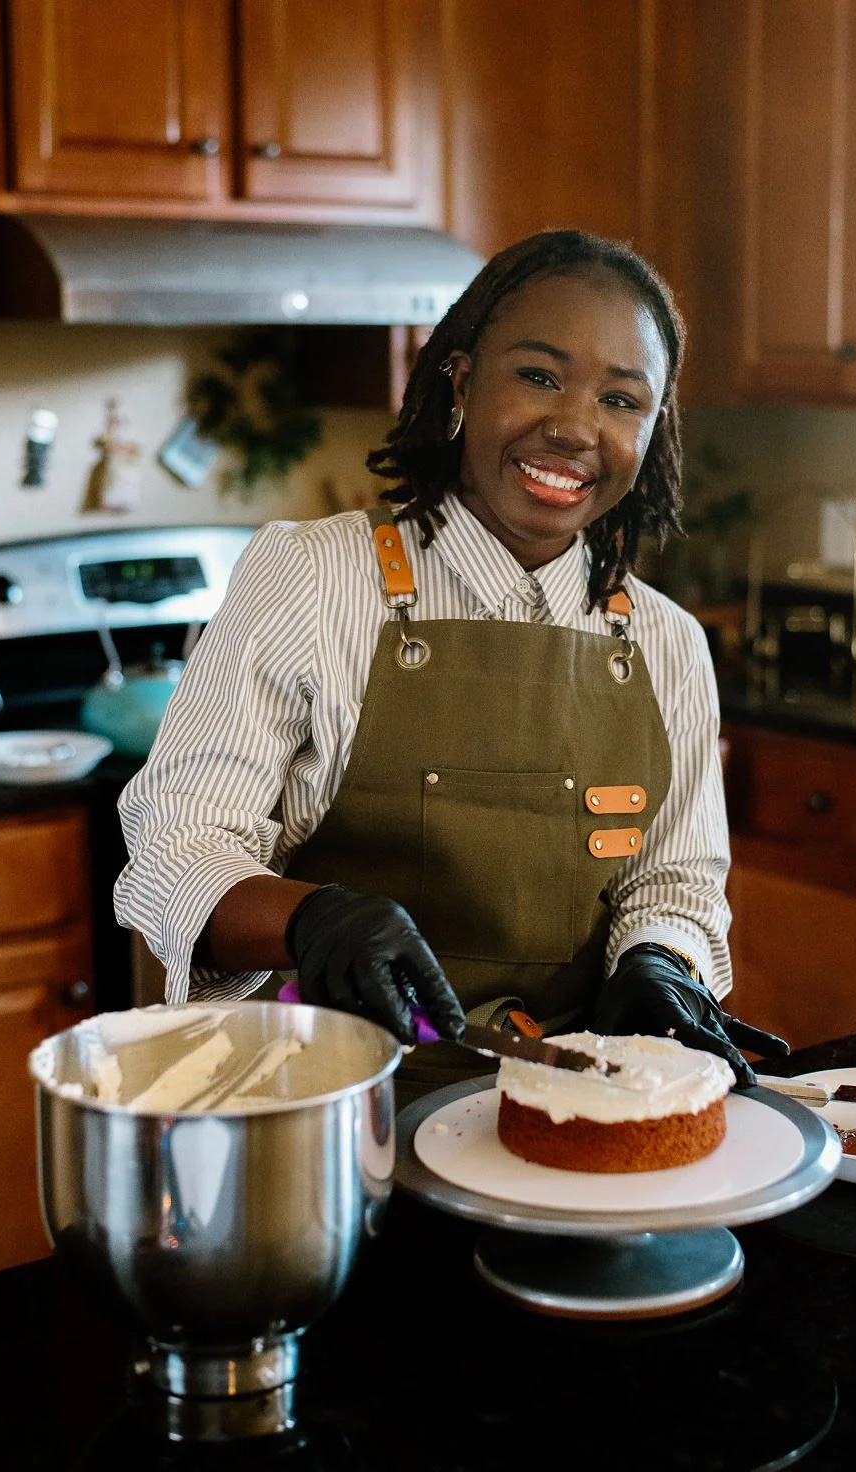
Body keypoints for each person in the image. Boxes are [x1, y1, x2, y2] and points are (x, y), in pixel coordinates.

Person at [115, 228, 786, 1102]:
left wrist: (664, 959)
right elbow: (173, 847)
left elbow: (674, 882)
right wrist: (313, 918)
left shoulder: (667, 643)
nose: (575, 427)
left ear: (654, 430)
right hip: (330, 1108)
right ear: (463, 379)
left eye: (623, 400)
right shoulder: (313, 578)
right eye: (539, 376)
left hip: (568, 1108)